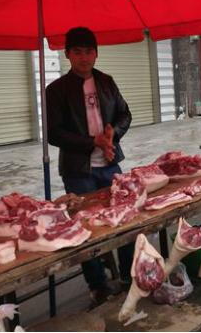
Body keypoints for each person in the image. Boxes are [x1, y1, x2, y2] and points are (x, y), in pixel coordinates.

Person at [46, 27, 135, 306]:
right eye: (77, 52)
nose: (84, 58)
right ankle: (97, 285)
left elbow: (125, 114)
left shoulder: (106, 82)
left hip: (110, 164)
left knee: (125, 218)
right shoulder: (56, 90)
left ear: (96, 53)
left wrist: (112, 134)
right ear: (67, 54)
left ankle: (129, 275)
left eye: (88, 51)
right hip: (78, 171)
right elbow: (54, 134)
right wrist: (91, 141)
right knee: (86, 228)